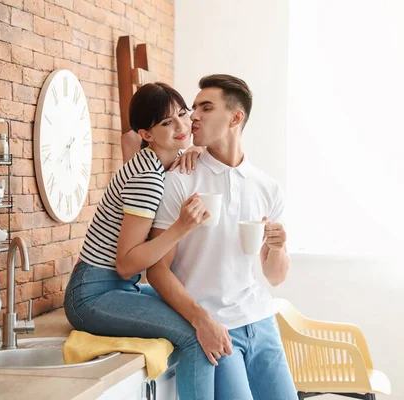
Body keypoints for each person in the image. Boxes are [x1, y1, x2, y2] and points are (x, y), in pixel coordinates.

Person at [148, 74, 298, 399]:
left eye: (206, 107)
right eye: (194, 108)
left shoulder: (267, 187)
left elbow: (275, 276)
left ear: (235, 117)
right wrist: (202, 321)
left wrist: (278, 247)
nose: (194, 116)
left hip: (261, 321)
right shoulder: (179, 179)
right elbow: (157, 269)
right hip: (214, 326)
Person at [63, 82, 215, 399]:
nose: (181, 126)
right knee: (194, 333)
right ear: (147, 134)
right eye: (166, 123)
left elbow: (144, 142)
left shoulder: (157, 163)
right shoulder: (147, 177)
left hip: (111, 287)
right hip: (92, 295)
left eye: (183, 115)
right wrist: (183, 226)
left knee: (198, 304)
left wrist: (195, 150)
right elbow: (126, 263)